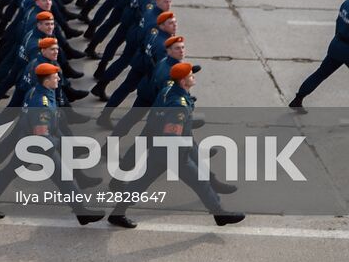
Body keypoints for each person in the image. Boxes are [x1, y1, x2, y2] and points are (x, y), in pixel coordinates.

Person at [102, 63, 243, 229]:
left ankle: (117, 213)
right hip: (173, 153)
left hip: (158, 148)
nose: (194, 77)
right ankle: (220, 214)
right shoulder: (179, 106)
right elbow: (172, 135)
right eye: (191, 75)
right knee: (201, 182)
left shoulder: (168, 89)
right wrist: (186, 150)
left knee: (140, 182)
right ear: (183, 81)